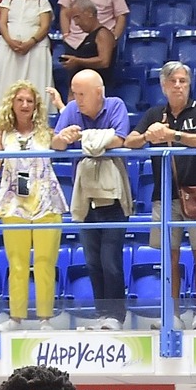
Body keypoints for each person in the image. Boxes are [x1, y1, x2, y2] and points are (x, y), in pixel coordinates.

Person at [126, 62, 196, 330]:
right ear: (163, 86)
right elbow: (129, 141)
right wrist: (148, 135)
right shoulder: (155, 113)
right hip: (165, 195)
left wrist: (174, 135)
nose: (179, 85)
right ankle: (173, 314)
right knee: (170, 256)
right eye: (174, 81)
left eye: (183, 81)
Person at [53, 71, 132, 331]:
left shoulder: (116, 105)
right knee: (92, 260)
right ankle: (102, 314)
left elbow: (120, 138)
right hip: (84, 196)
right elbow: (56, 144)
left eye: (82, 94)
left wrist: (85, 138)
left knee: (111, 259)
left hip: (112, 195)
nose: (77, 99)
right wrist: (63, 139)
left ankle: (117, 315)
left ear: (99, 92)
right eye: (74, 93)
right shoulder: (72, 109)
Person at [0, 81, 68, 330]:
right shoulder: (3, 133)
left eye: (30, 101)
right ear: (11, 104)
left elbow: (62, 142)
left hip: (46, 202)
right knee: (17, 263)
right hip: (15, 204)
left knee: (45, 261)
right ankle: (16, 317)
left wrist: (61, 107)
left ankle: (46, 317)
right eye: (20, 100)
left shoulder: (46, 131)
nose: (25, 105)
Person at [0, 0, 55, 114]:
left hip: (35, 51)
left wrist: (30, 43)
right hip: (9, 50)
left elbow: (44, 26)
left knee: (35, 84)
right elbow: (2, 23)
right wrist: (10, 41)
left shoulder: (42, 2)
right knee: (7, 84)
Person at [56, 0, 115, 82]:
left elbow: (104, 61)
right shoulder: (89, 37)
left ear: (89, 13)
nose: (76, 23)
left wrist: (77, 61)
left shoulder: (103, 34)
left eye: (77, 17)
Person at [59, 0, 128, 46]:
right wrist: (66, 34)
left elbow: (121, 14)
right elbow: (64, 12)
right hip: (75, 40)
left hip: (103, 40)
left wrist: (114, 37)